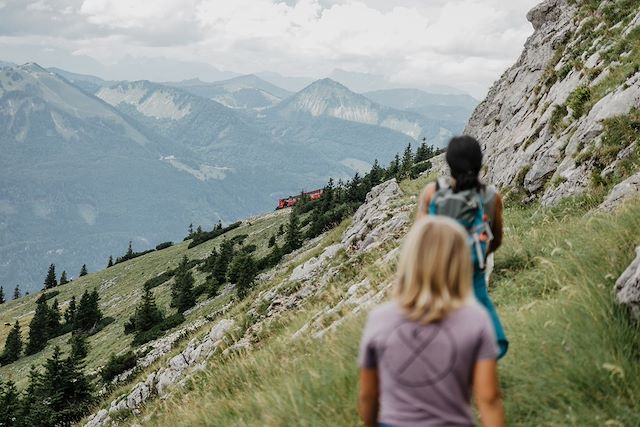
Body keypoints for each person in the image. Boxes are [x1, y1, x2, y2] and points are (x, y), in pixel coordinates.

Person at [358, 217, 505, 427]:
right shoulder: (476, 319)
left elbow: (368, 396)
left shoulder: (379, 319)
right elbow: (489, 398)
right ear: (459, 261)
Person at [417, 135, 508, 359]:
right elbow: (496, 239)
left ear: (449, 164)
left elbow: (419, 239)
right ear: (479, 162)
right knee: (483, 340)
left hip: (439, 275)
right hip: (475, 275)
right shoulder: (491, 196)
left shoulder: (432, 192)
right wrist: (476, 258)